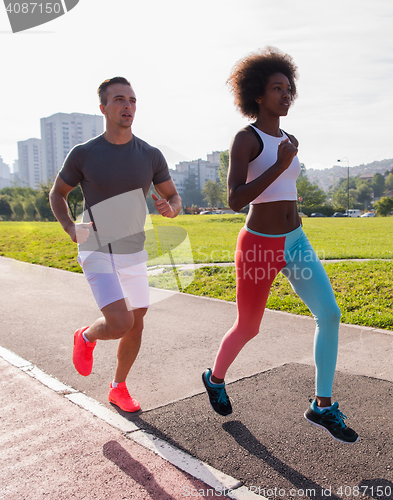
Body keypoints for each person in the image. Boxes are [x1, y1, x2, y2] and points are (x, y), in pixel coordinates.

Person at [202, 48, 359, 444]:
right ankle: (215, 377)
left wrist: (286, 168)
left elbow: (285, 187)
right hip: (258, 246)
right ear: (257, 94)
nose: (286, 95)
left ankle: (322, 406)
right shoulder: (246, 139)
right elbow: (235, 200)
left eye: (289, 89)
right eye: (277, 89)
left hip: (296, 241)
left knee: (330, 313)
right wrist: (277, 164)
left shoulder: (290, 139)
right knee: (249, 326)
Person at [50, 77, 181, 413]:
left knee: (136, 322)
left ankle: (118, 387)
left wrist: (171, 207)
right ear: (103, 108)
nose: (128, 106)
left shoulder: (150, 155)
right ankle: (86, 337)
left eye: (133, 100)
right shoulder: (84, 153)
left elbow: (173, 196)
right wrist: (69, 227)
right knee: (121, 322)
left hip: (133, 250)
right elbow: (58, 193)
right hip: (96, 247)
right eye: (120, 100)